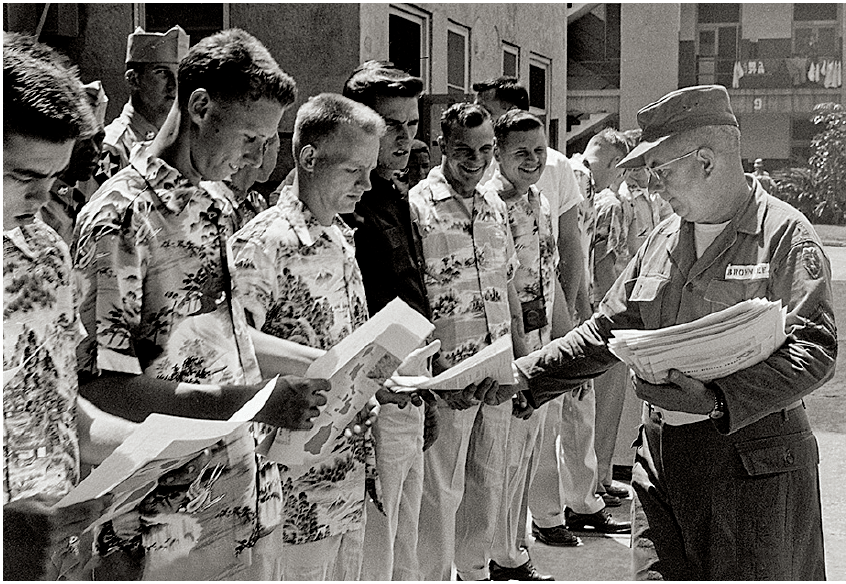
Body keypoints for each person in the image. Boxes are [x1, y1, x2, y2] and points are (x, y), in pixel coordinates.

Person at [513, 84, 834, 580]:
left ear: (705, 160)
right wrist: (525, 377)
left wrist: (718, 399)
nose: (653, 188)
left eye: (660, 171)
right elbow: (606, 331)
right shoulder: (663, 238)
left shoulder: (785, 236)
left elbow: (814, 349)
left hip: (753, 465)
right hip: (662, 464)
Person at [73, 29, 329, 580]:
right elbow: (102, 387)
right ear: (199, 106)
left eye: (269, 142)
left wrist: (326, 371)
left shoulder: (215, 203)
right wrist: (256, 401)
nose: (260, 162)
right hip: (162, 527)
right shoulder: (120, 219)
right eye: (250, 139)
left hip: (243, 499)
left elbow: (217, 338)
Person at [231, 93, 389, 580]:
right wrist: (325, 362)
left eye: (370, 170)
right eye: (353, 171)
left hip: (345, 475)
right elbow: (235, 345)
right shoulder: (263, 243)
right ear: (308, 158)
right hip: (289, 491)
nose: (366, 185)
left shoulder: (339, 236)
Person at [2, 32, 125, 581]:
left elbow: (59, 408)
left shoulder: (46, 253)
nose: (41, 198)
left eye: (53, 179)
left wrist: (144, 453)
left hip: (61, 554)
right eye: (25, 177)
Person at [411, 102, 520, 581]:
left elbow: (509, 284)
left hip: (495, 368)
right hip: (447, 374)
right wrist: (428, 378)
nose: (474, 160)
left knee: (488, 481)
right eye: (462, 150)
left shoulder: (496, 204)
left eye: (485, 150)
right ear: (441, 147)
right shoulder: (417, 206)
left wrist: (519, 361)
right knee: (440, 488)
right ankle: (436, 576)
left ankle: (474, 572)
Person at [339, 60, 435, 581]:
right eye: (391, 125)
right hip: (373, 396)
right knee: (377, 544)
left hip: (413, 385)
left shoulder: (394, 195)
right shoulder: (347, 207)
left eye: (412, 125)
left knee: (406, 538)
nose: (404, 139)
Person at [484, 110, 556, 581]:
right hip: (510, 349)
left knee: (528, 454)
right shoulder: (490, 204)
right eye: (521, 152)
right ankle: (496, 555)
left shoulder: (542, 203)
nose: (533, 160)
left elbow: (550, 278)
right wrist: (514, 356)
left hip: (542, 341)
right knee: (502, 459)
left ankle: (514, 548)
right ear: (499, 154)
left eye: (539, 150)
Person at [95, 25, 188, 183]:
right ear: (133, 80)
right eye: (162, 73)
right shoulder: (113, 147)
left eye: (179, 74)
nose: (174, 85)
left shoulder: (180, 139)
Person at [41, 81, 108, 245]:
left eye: (98, 139)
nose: (93, 150)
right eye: (83, 139)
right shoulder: (40, 206)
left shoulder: (82, 197)